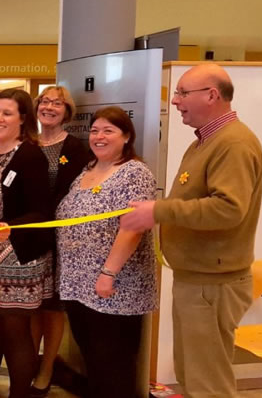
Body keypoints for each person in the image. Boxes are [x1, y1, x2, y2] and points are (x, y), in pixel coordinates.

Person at [121, 64, 262, 398]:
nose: (174, 100)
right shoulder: (205, 141)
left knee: (207, 382)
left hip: (212, 284)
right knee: (192, 373)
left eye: (183, 93)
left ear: (212, 95)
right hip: (198, 279)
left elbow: (229, 209)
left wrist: (158, 210)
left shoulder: (233, 144)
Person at [55, 106, 157, 398]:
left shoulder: (134, 173)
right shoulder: (87, 170)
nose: (99, 137)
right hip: (79, 285)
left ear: (126, 136)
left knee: (114, 364)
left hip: (113, 288)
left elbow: (133, 228)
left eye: (108, 131)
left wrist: (108, 273)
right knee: (94, 361)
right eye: (95, 131)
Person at [0, 88, 53, 398]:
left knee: (16, 332)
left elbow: (41, 209)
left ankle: (19, 393)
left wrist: (13, 228)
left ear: (23, 119)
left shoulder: (30, 155)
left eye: (7, 113)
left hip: (19, 256)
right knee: (4, 329)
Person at [30, 86, 89, 397]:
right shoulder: (27, 143)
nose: (49, 107)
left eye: (57, 103)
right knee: (30, 307)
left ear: (67, 112)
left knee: (52, 308)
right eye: (45, 101)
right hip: (27, 237)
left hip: (59, 240)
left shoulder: (76, 149)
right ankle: (28, 364)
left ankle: (46, 370)